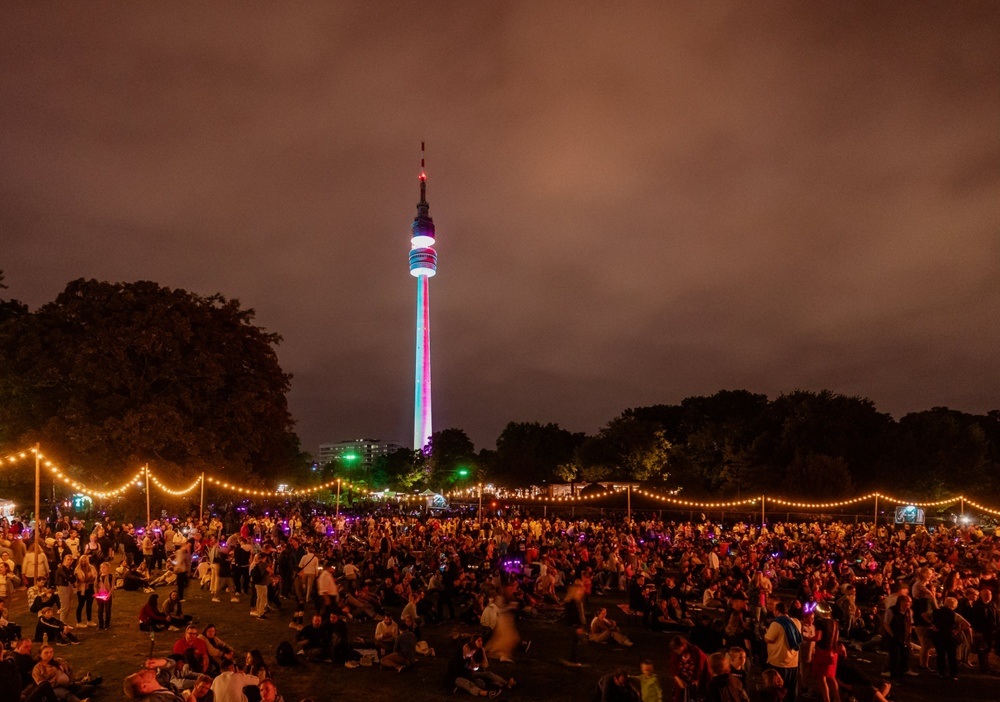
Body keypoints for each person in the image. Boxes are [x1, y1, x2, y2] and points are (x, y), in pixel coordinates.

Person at [763, 602, 801, 702]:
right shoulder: (796, 621)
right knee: (790, 691)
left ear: (777, 611)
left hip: (779, 662)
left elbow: (768, 639)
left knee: (777, 691)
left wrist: (766, 631)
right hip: (793, 662)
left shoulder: (777, 623)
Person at [667, 636, 710, 702]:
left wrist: (697, 681)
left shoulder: (695, 652)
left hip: (694, 685)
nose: (676, 651)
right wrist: (679, 680)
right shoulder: (675, 654)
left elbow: (702, 664)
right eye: (675, 650)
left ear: (684, 645)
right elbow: (673, 668)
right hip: (681, 685)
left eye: (678, 648)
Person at [811, 616, 841, 702]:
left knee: (821, 678)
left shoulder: (820, 622)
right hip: (833, 652)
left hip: (823, 652)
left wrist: (805, 638)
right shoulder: (835, 622)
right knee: (831, 677)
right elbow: (837, 638)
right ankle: (837, 698)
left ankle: (826, 699)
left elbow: (818, 637)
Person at [931, 596, 961, 680]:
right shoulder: (953, 614)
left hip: (938, 635)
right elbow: (967, 624)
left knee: (940, 655)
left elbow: (924, 615)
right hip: (949, 635)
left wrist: (932, 624)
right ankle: (953, 674)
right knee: (952, 656)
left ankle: (941, 672)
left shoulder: (936, 611)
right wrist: (957, 630)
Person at [72, 555, 97, 629]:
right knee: (81, 605)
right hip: (81, 589)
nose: (83, 562)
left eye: (85, 561)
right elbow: (82, 580)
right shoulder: (77, 569)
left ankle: (89, 620)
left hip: (90, 588)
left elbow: (95, 577)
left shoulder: (92, 567)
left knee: (89, 604)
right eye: (82, 561)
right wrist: (89, 577)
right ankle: (79, 622)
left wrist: (89, 578)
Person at [94, 562, 114, 630]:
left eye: (104, 567)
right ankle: (100, 624)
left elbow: (112, 587)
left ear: (108, 568)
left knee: (108, 610)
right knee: (100, 610)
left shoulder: (110, 576)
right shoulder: (98, 576)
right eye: (101, 568)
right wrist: (96, 593)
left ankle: (107, 624)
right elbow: (95, 586)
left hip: (107, 595)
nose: (102, 569)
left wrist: (109, 594)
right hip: (100, 595)